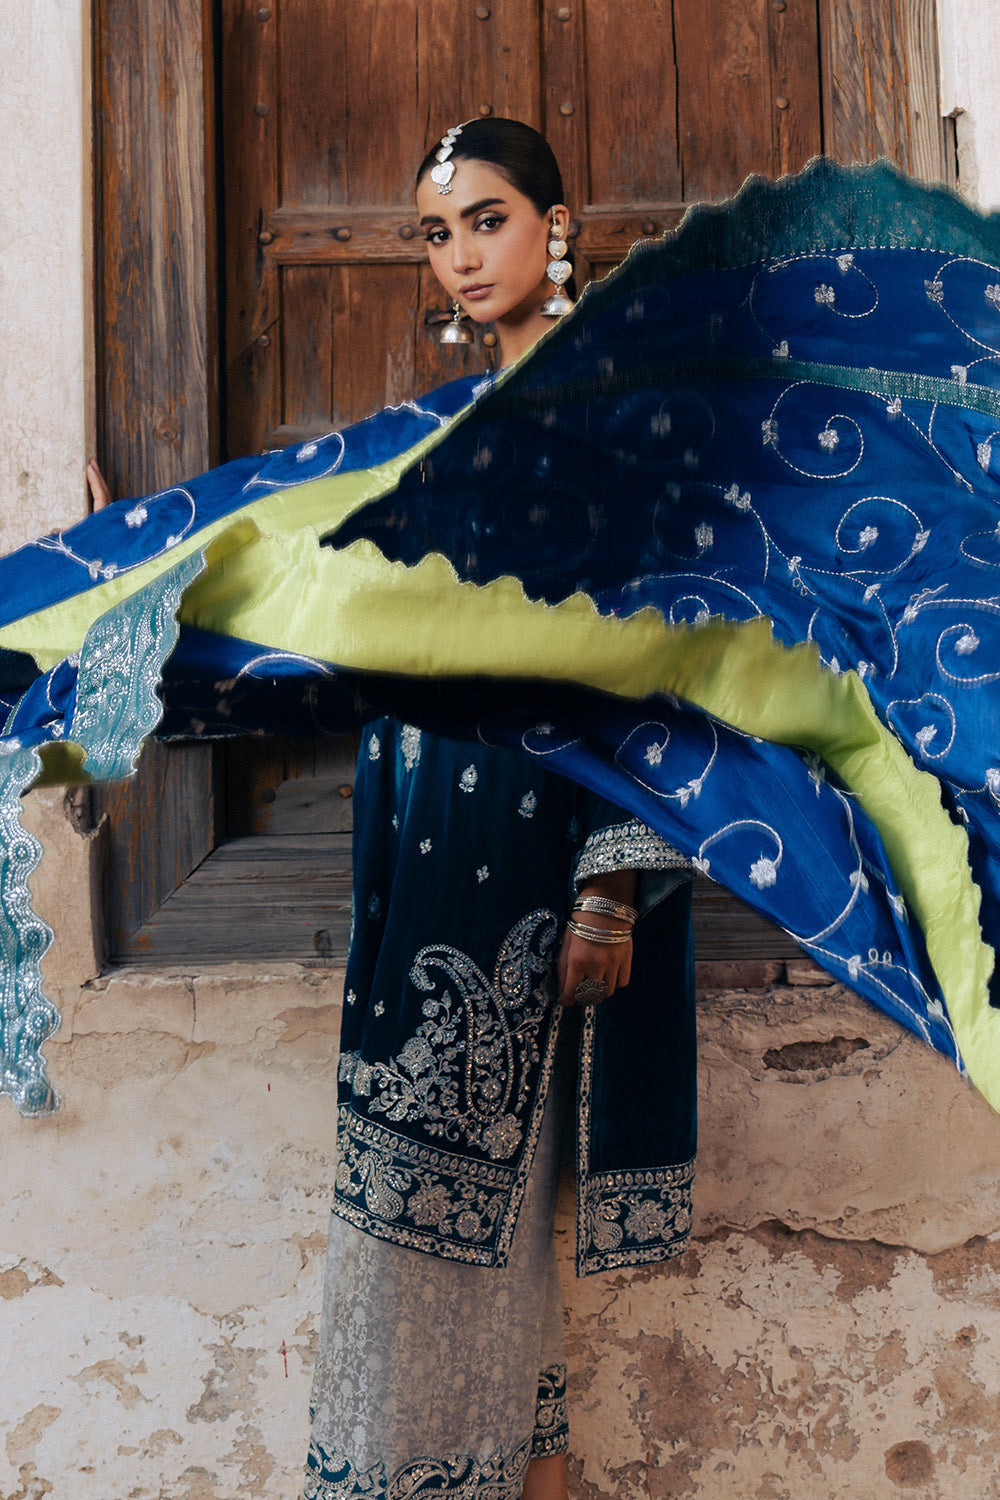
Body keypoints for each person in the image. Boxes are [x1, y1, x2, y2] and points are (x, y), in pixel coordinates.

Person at [303, 118, 696, 1500]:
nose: (462, 257)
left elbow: (659, 657)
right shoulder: (452, 430)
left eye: (487, 220)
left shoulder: (616, 417)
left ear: (557, 226)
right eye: (438, 232)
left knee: (458, 1219)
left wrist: (613, 882)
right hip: (422, 846)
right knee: (443, 1225)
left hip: (533, 857)